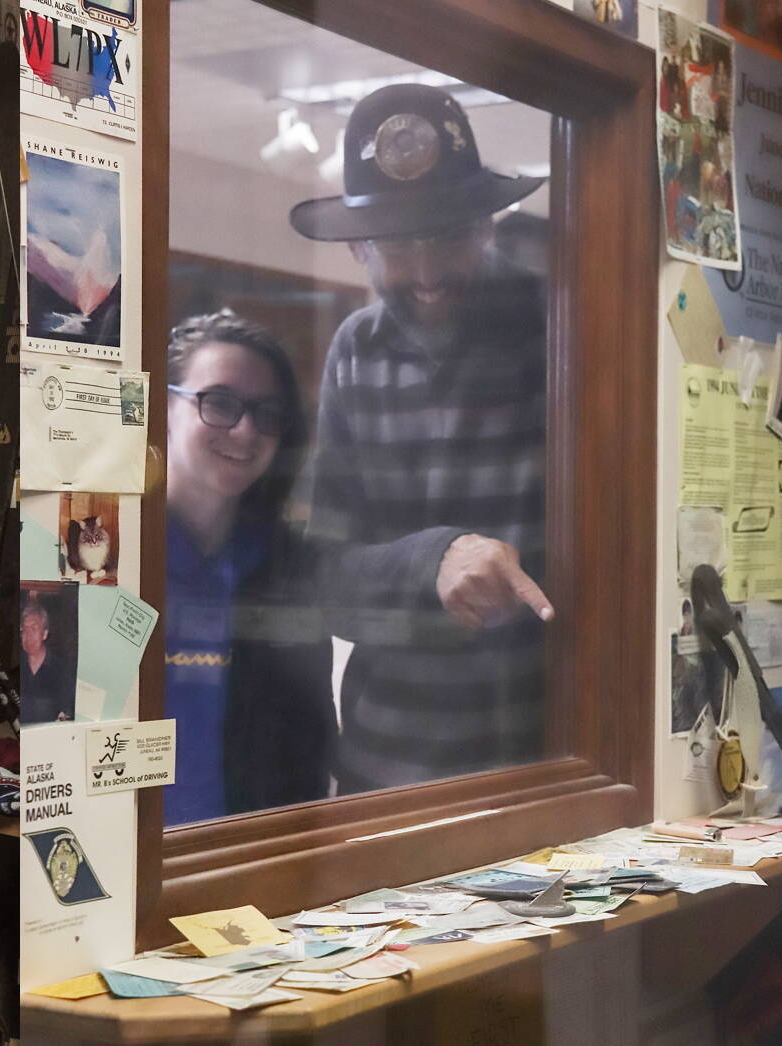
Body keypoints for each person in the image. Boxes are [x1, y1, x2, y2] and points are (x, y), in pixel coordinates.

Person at [289, 83, 553, 793]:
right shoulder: (353, 351)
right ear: (355, 247)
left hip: (547, 766)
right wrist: (434, 560)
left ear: (488, 225)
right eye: (399, 244)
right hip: (386, 773)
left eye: (447, 235)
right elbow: (324, 576)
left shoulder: (559, 331)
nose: (429, 274)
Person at [162, 310, 332, 824]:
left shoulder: (287, 570)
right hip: (117, 869)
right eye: (219, 402)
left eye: (267, 413)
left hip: (247, 870)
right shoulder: (104, 558)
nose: (245, 430)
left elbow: (306, 752)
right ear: (163, 404)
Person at [19, 596, 73, 723]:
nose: (28, 635)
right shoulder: (16, 667)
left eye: (33, 628)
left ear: (44, 634)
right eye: (24, 629)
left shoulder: (62, 670)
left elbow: (68, 712)